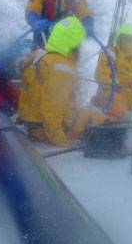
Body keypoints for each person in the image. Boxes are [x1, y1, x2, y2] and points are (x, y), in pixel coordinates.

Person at [18, 16, 107, 147]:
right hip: (46, 129)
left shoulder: (39, 55)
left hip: (33, 122)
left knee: (94, 115)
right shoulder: (61, 69)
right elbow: (51, 112)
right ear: (73, 44)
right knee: (102, 120)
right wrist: (63, 141)